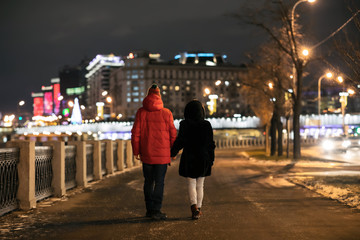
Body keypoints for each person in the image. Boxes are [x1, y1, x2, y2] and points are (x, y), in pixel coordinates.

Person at [131, 83, 177, 220]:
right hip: (162, 156)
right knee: (160, 182)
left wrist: (136, 151)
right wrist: (173, 152)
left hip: (147, 154)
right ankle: (157, 209)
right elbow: (173, 134)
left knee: (148, 182)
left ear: (148, 95)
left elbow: (135, 134)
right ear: (159, 96)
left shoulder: (141, 112)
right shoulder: (167, 113)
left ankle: (149, 209)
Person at [171, 100, 215, 220]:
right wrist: (211, 159)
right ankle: (198, 209)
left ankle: (194, 207)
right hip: (203, 157)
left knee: (191, 183)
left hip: (189, 157)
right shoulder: (206, 125)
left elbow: (180, 141)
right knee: (200, 184)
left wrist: (172, 152)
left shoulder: (185, 124)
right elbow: (211, 144)